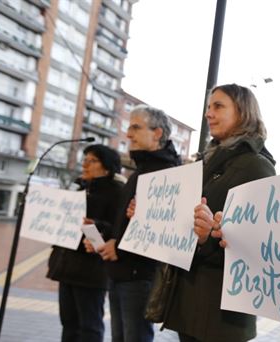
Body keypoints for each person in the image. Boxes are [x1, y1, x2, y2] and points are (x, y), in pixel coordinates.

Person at [161, 84, 276, 341]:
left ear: (243, 112)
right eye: (208, 107)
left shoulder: (256, 166)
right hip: (190, 302)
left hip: (222, 316)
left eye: (218, 106)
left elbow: (259, 245)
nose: (208, 114)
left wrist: (209, 237)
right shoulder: (205, 161)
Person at [85, 105, 181, 342]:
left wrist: (117, 247)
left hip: (140, 275)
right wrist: (107, 236)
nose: (128, 134)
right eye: (129, 127)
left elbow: (165, 233)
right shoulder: (139, 173)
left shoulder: (169, 175)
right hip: (121, 273)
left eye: (135, 127)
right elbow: (126, 224)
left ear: (157, 133)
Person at [47, 144, 124, 342]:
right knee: (69, 323)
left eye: (92, 160)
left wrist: (98, 226)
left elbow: (118, 228)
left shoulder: (117, 193)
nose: (85, 164)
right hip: (67, 266)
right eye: (84, 160)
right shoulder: (78, 190)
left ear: (107, 166)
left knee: (89, 326)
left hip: (92, 270)